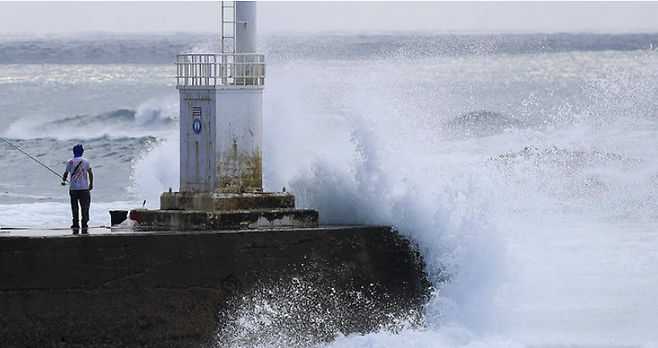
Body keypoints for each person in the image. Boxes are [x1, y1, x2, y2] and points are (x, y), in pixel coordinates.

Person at [62, 144, 93, 233]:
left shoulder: (70, 162)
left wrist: (63, 181)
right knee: (85, 207)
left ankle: (75, 223)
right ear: (82, 151)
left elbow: (65, 173)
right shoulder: (86, 161)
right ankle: (84, 223)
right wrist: (91, 184)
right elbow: (90, 173)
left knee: (74, 207)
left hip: (73, 188)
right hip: (84, 188)